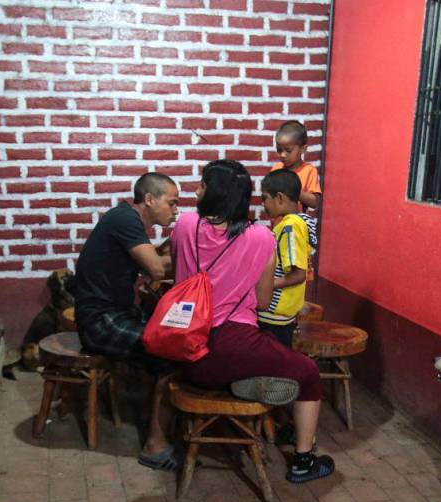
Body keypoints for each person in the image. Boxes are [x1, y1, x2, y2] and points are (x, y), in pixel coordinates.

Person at [170, 159, 334, 483]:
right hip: (232, 347)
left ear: (214, 192)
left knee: (252, 358)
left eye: (202, 185)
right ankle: (303, 461)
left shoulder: (185, 224)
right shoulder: (261, 237)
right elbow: (261, 301)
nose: (196, 190)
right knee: (308, 372)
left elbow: (179, 274)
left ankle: (245, 380)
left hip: (184, 348)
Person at [73, 172, 180, 470]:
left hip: (115, 312)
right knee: (172, 356)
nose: (175, 210)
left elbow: (153, 261)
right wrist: (200, 254)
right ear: (149, 199)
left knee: (167, 339)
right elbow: (157, 270)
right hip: (100, 321)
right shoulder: (125, 221)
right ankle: (155, 447)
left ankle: (151, 415)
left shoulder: (126, 219)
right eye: (171, 203)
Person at [257, 168, 312, 348]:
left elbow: (298, 274)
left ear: (279, 198)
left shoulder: (290, 227)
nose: (263, 204)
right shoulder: (291, 224)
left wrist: (265, 285)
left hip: (274, 315)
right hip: (280, 314)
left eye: (264, 198)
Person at [271, 120, 322, 214]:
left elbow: (315, 202)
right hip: (278, 224)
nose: (283, 155)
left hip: (298, 224)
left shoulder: (309, 170)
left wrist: (293, 191)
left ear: (303, 149)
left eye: (288, 151)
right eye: (279, 150)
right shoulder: (276, 169)